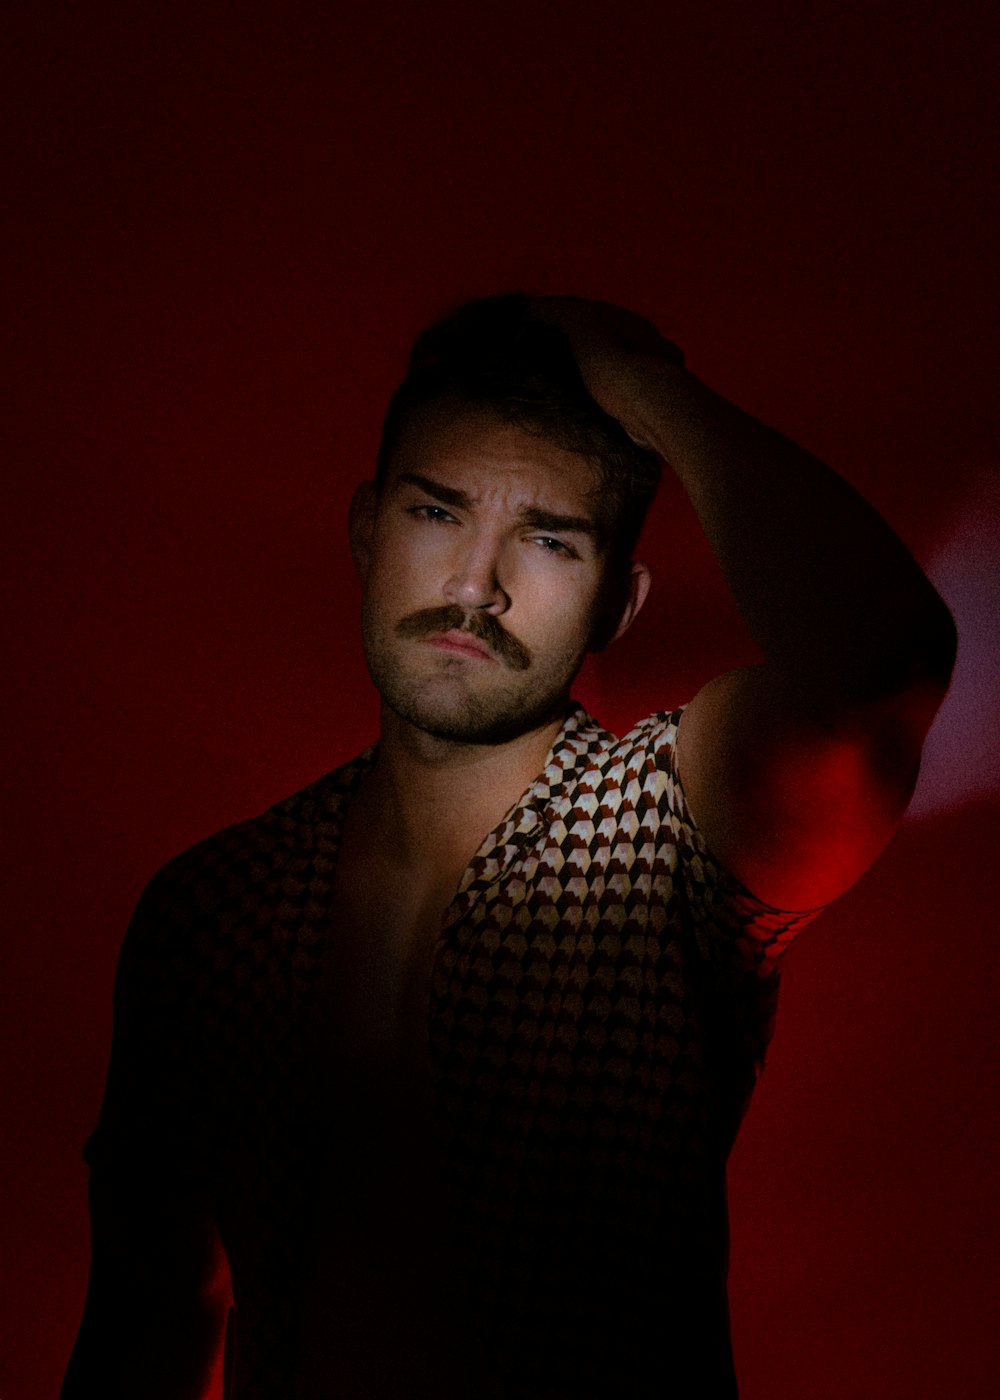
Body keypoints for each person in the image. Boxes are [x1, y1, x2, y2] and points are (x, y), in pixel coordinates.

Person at [61, 294, 956, 1399]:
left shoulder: (668, 829)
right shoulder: (211, 907)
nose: (474, 584)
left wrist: (637, 384)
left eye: (546, 539)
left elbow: (878, 662)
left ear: (616, 604)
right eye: (437, 513)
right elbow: (148, 1315)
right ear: (364, 532)